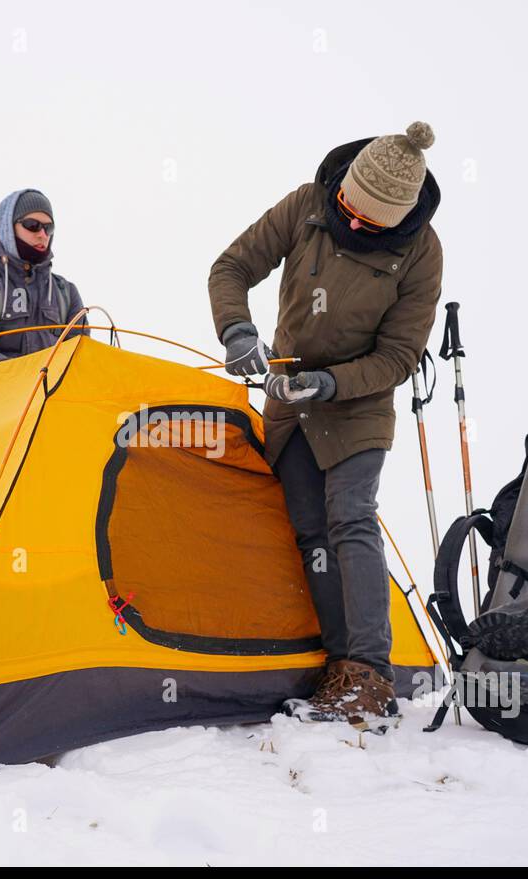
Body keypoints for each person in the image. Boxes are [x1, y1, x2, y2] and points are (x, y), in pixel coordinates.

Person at [208, 123, 444, 723]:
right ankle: (339, 667)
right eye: (350, 211)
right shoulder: (307, 204)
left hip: (358, 403)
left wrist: (333, 383)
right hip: (289, 402)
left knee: (351, 519)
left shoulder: (422, 251)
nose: (356, 225)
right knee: (310, 531)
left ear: (401, 218)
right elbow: (231, 267)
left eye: (373, 223)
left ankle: (371, 675)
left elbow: (398, 357)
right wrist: (238, 331)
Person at [0, 188, 87, 365]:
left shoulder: (66, 292)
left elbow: (80, 355)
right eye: (32, 225)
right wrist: (26, 376)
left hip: (54, 391)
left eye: (48, 227)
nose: (42, 234)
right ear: (8, 227)